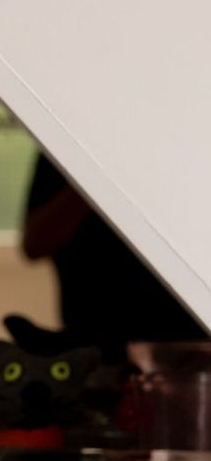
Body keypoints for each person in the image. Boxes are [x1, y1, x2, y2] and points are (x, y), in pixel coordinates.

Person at [20, 149, 206, 365]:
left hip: (189, 341)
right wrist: (97, 179)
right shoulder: (65, 147)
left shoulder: (192, 149)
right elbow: (35, 244)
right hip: (96, 341)